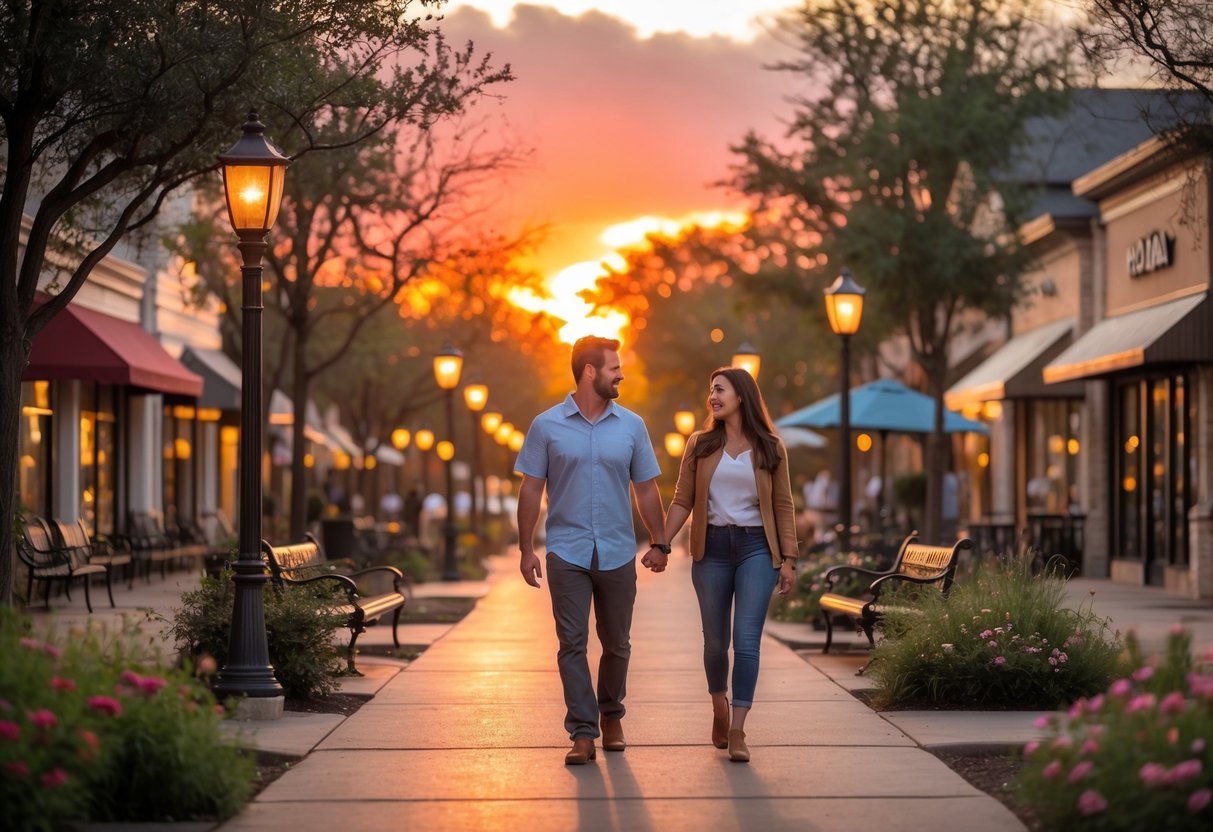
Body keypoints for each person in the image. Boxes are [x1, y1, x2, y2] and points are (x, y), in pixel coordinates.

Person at [515, 336, 668, 765]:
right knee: (572, 643)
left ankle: (611, 715)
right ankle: (582, 732)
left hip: (618, 550)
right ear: (589, 372)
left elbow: (646, 488)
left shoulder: (632, 426)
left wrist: (660, 541)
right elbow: (531, 488)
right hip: (566, 549)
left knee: (617, 642)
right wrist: (526, 548)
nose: (621, 374)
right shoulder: (546, 425)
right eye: (614, 367)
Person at [658, 367, 797, 763]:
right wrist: (661, 543)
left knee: (747, 640)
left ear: (741, 395)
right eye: (711, 391)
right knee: (716, 643)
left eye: (719, 390)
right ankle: (718, 704)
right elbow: (683, 499)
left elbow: (782, 505)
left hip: (757, 547)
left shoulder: (771, 446)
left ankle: (738, 729)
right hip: (712, 548)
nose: (712, 397)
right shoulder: (700, 444)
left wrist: (788, 559)